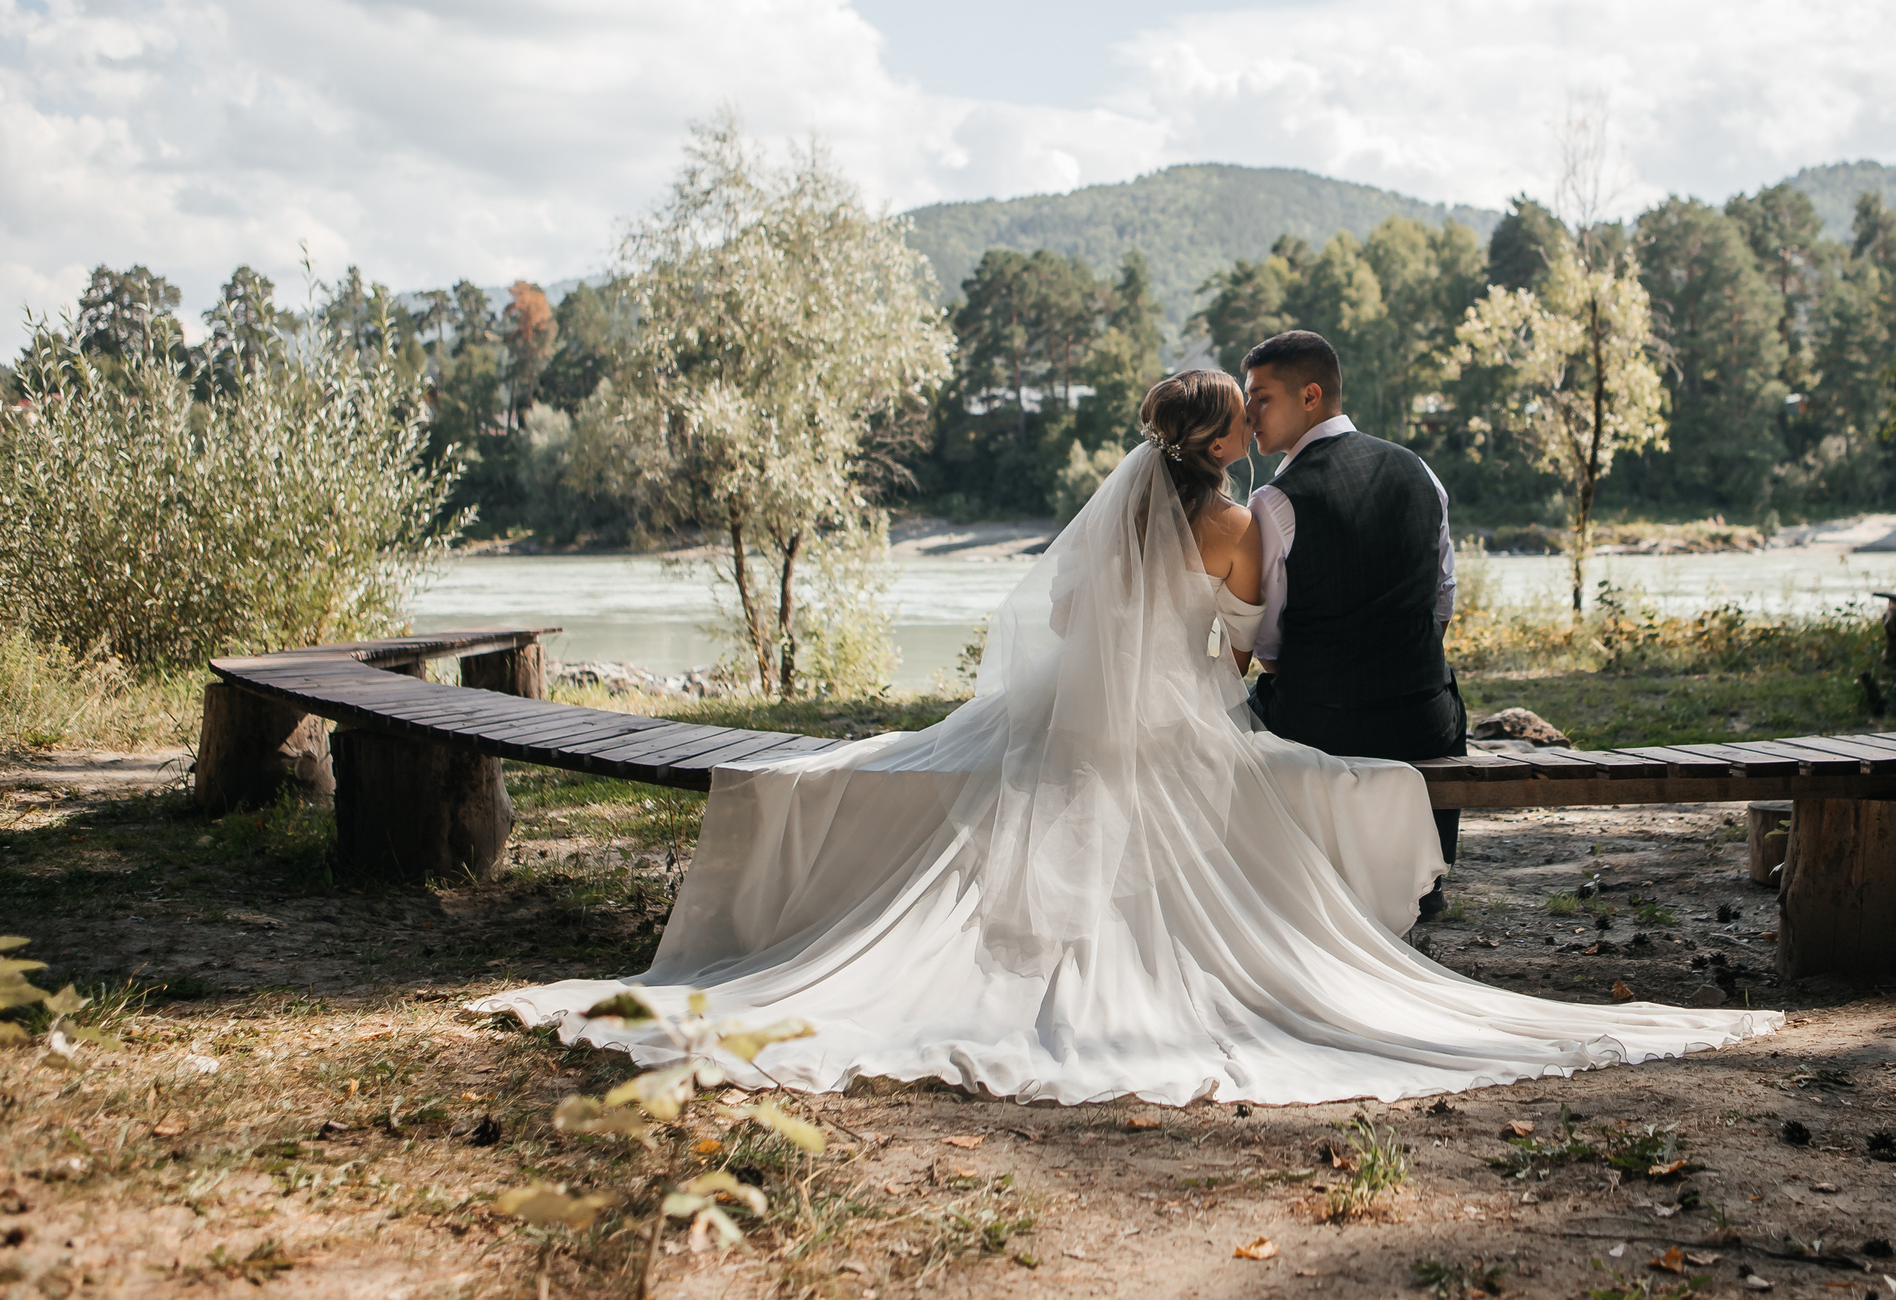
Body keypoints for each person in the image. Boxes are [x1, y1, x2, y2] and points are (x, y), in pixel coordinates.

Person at [474, 370, 1781, 1106]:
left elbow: (1055, 611)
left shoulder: (1113, 517)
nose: (1252, 430)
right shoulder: (1229, 523)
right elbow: (1252, 631)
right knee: (1314, 783)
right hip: (1172, 732)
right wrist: (1228, 642)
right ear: (1223, 440)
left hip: (1073, 724)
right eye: (1242, 420)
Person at [1239, 330, 1467, 917]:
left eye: (1261, 397)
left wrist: (1329, 675)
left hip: (1323, 722)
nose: (1248, 413)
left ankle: (1284, 889)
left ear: (1310, 396)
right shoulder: (1419, 470)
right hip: (1424, 718)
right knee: (1445, 691)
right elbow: (1441, 598)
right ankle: (1425, 886)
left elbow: (1268, 640)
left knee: (1236, 722)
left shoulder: (1275, 500)